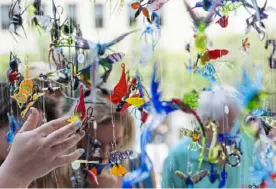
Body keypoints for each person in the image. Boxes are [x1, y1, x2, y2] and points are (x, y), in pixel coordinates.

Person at [161, 85, 255, 188]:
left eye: (233, 123)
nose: (230, 131)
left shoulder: (246, 144)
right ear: (204, 122)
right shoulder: (177, 157)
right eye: (221, 125)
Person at [0, 83, 85, 188]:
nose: (35, 139)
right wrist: (16, 173)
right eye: (24, 127)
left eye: (41, 128)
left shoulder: (60, 178)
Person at [68, 88, 156, 188]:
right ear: (77, 139)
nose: (105, 154)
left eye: (115, 143)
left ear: (125, 134)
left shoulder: (140, 165)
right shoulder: (61, 174)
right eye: (95, 145)